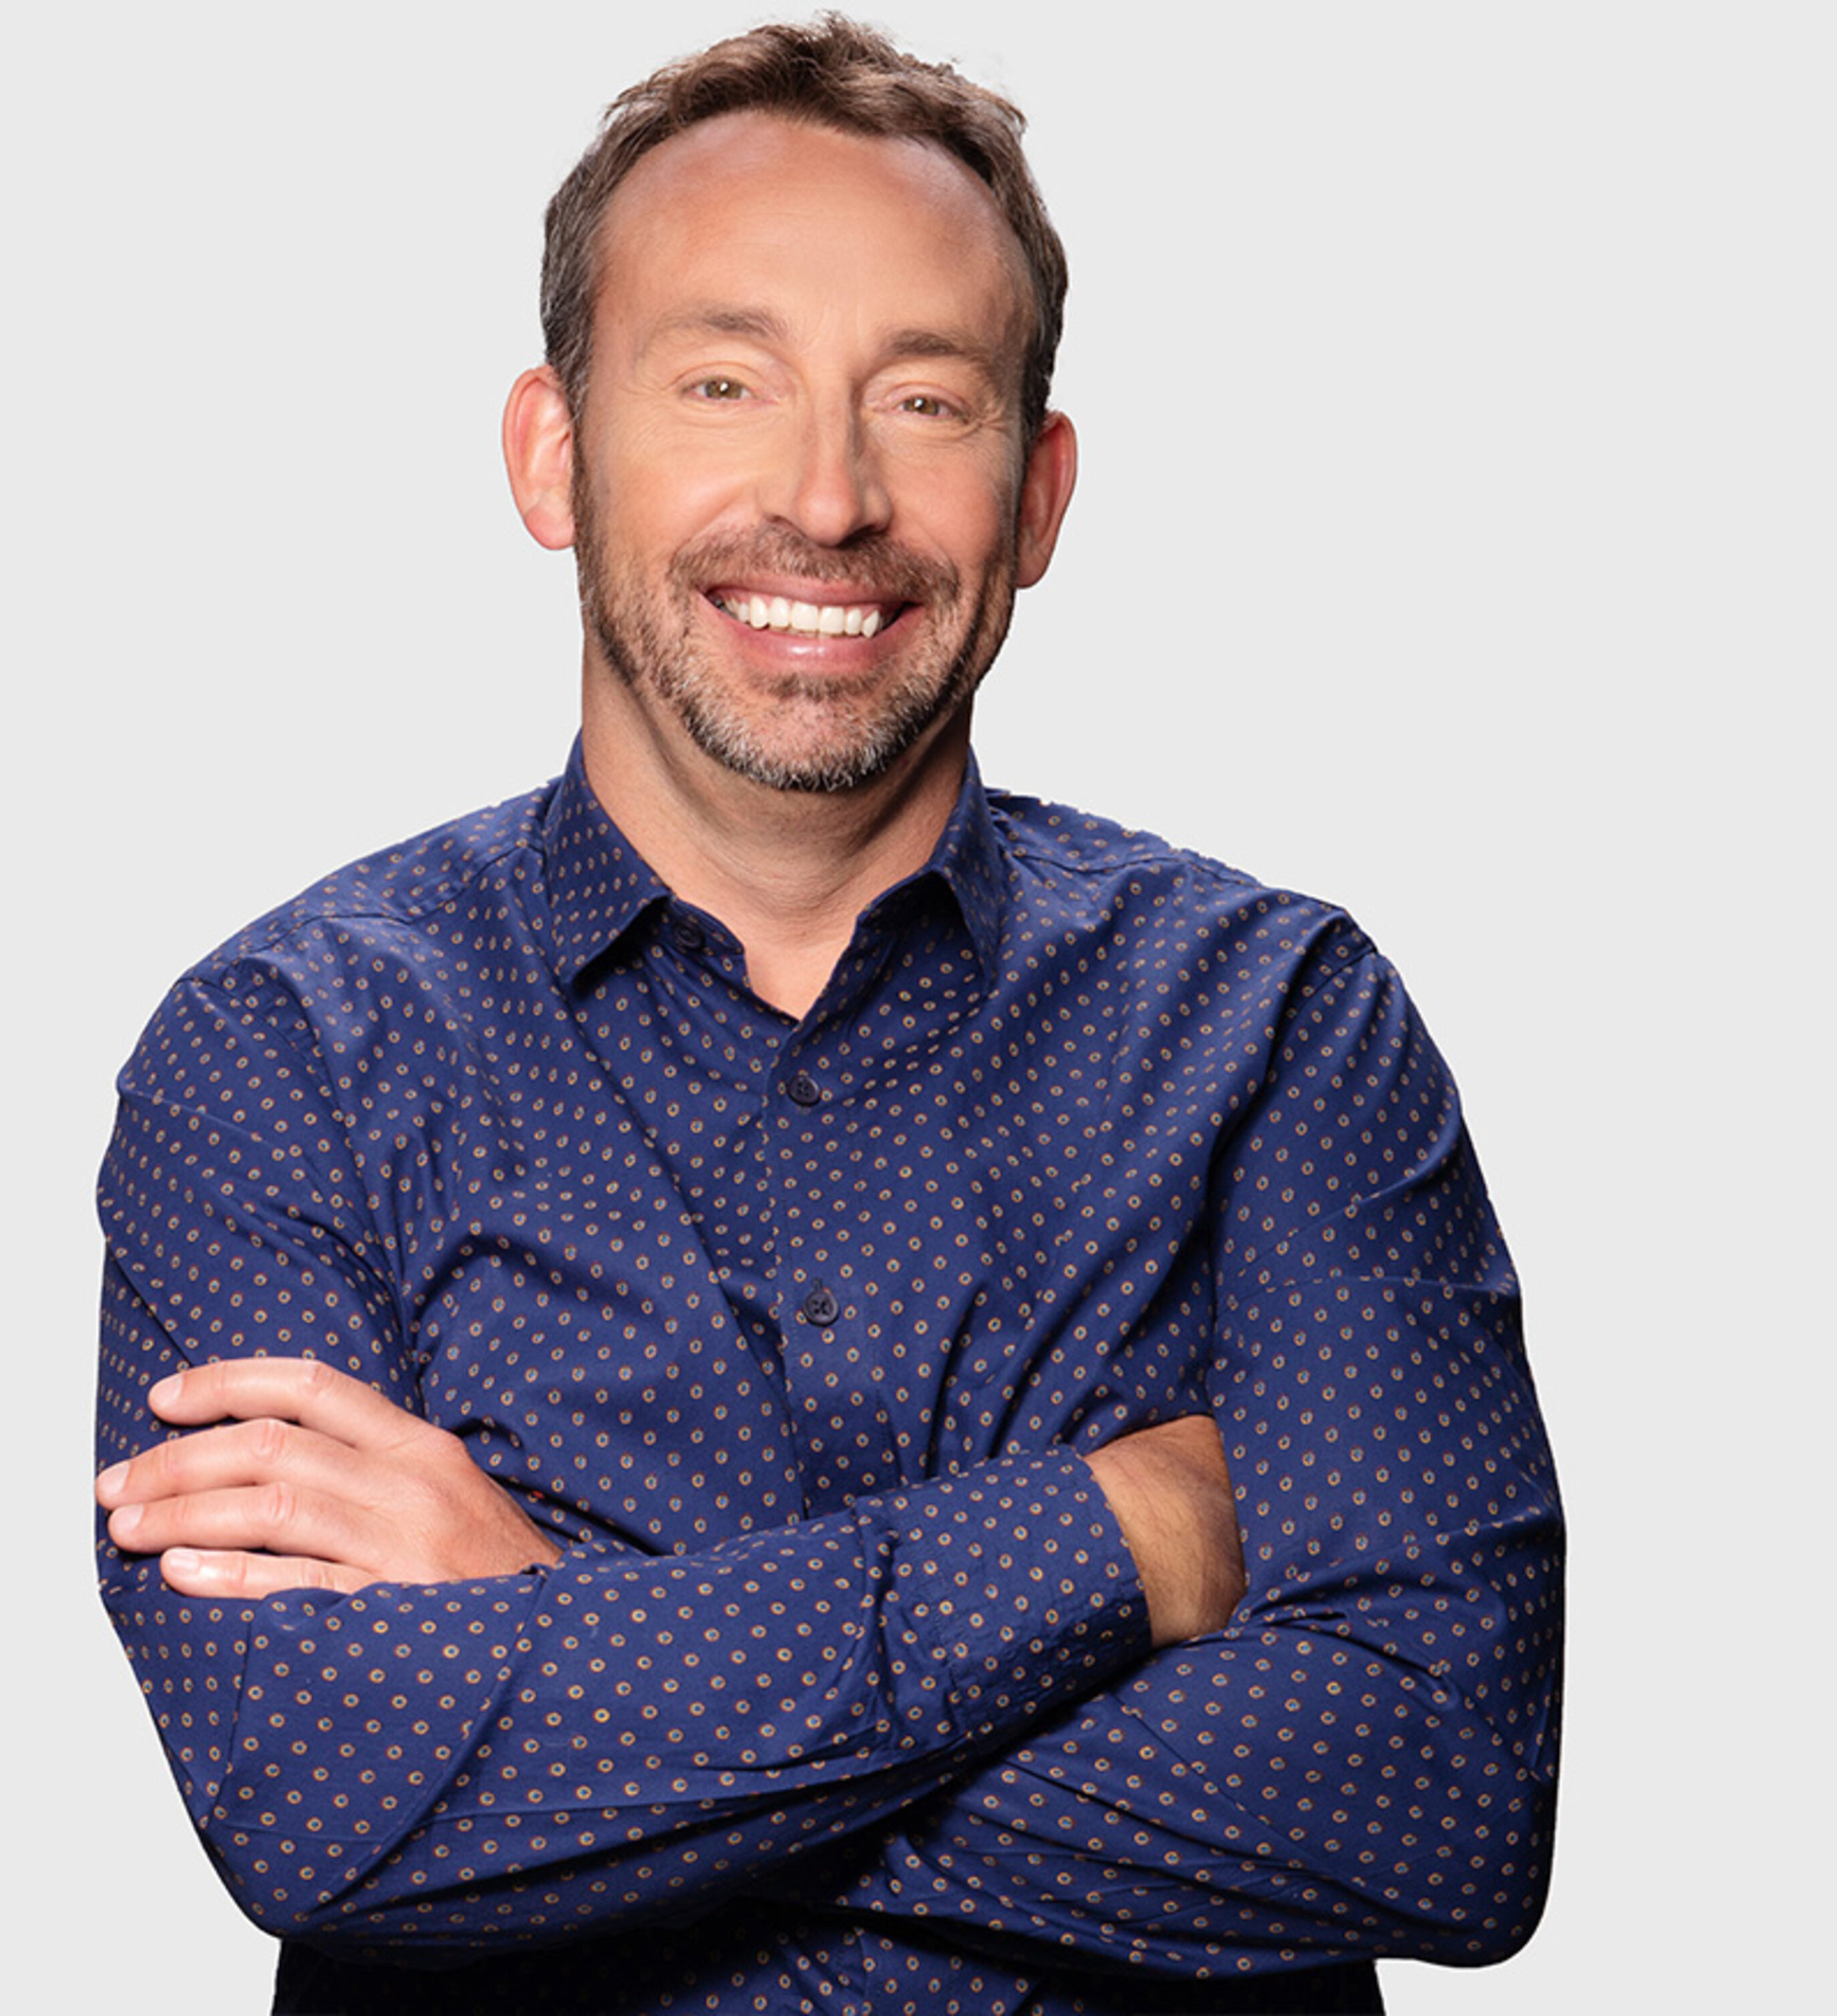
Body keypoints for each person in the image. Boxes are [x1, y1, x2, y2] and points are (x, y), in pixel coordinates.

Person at [93, 17, 1562, 2013]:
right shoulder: (278, 1059)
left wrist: (573, 1645)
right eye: (725, 380)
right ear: (553, 452)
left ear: (1037, 496)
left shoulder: (1285, 1028)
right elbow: (325, 1800)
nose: (828, 495)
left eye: (926, 401)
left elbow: (1446, 1798)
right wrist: (1122, 1536)